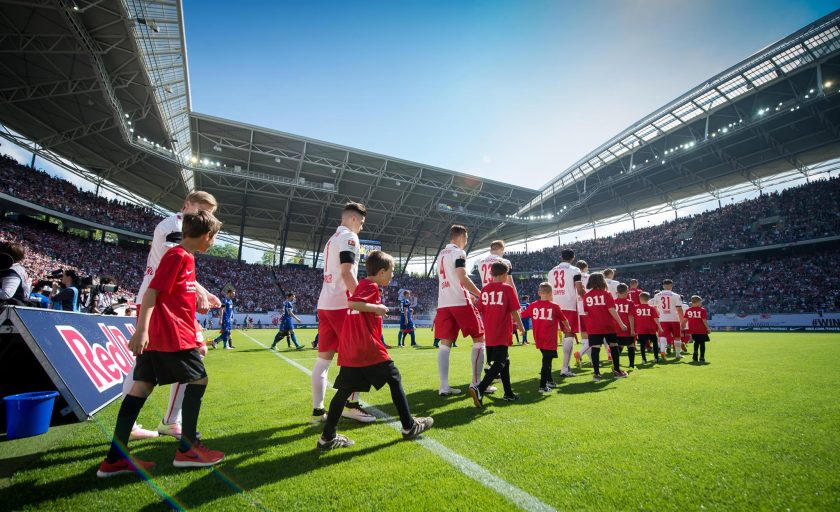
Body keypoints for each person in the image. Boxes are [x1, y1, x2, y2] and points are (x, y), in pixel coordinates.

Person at [97, 210, 225, 478]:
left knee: (141, 387)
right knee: (199, 380)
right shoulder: (179, 256)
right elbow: (152, 292)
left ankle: (115, 459)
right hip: (170, 335)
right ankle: (188, 449)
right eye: (214, 238)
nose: (213, 243)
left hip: (162, 335)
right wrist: (141, 330)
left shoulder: (183, 257)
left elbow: (171, 296)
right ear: (206, 236)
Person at [317, 251, 433, 450]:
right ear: (381, 272)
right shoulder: (370, 286)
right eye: (391, 271)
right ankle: (409, 426)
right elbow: (352, 303)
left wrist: (375, 310)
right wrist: (377, 308)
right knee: (394, 378)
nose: (392, 275)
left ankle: (327, 438)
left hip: (352, 348)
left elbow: (357, 306)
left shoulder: (364, 286)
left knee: (344, 391)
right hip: (366, 347)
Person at [311, 202, 376, 423]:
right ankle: (352, 406)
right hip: (341, 305)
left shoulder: (331, 239)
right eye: (362, 222)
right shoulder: (349, 237)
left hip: (325, 304)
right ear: (354, 219)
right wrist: (362, 302)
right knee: (357, 355)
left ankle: (318, 411)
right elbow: (347, 273)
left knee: (323, 360)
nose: (362, 227)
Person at [435, 225, 486, 397]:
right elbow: (462, 277)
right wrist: (480, 294)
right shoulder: (459, 253)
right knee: (479, 338)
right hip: (460, 301)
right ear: (462, 237)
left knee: (445, 343)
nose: (466, 242)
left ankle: (444, 386)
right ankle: (476, 384)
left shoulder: (441, 254)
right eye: (466, 238)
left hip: (444, 303)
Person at [468, 262, 523, 407]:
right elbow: (514, 310)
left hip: (490, 332)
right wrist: (521, 326)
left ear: (491, 274)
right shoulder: (507, 288)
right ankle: (479, 389)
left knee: (505, 361)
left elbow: (479, 308)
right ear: (505, 275)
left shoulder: (485, 289)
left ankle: (508, 393)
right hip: (502, 330)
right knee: (500, 363)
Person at [521, 282, 571, 393]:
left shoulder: (533, 305)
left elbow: (522, 315)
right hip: (549, 337)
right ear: (551, 293)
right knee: (546, 362)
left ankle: (549, 381)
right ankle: (542, 386)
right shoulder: (554, 306)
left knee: (548, 359)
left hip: (538, 337)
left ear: (539, 293)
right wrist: (568, 328)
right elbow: (564, 319)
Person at [583, 272, 628, 381]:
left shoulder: (586, 296)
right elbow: (612, 310)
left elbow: (586, 313)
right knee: (613, 346)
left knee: (595, 348)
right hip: (608, 325)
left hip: (594, 326)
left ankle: (596, 374)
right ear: (602, 281)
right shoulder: (606, 294)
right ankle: (617, 371)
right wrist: (621, 323)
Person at [548, 249, 584, 377]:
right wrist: (586, 298)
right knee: (569, 334)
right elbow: (579, 288)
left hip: (554, 305)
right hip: (569, 305)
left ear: (561, 257)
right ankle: (564, 368)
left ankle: (551, 367)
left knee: (555, 336)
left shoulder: (551, 271)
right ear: (573, 258)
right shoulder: (575, 270)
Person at [653, 279, 685, 359]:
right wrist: (682, 321)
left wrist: (660, 314)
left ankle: (662, 351)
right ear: (671, 285)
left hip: (663, 319)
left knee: (662, 336)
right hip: (674, 318)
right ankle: (677, 354)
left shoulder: (657, 295)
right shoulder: (676, 295)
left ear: (663, 286)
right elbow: (679, 309)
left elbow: (655, 308)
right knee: (677, 336)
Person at [633, 292, 661, 364]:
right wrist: (660, 327)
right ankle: (656, 358)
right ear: (648, 299)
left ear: (640, 299)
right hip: (651, 328)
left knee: (642, 344)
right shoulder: (652, 308)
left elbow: (633, 318)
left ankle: (644, 359)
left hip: (641, 329)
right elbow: (656, 318)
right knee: (655, 343)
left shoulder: (636, 307)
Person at [614, 284, 637, 369]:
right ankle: (631, 365)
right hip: (627, 327)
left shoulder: (613, 301)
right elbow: (631, 316)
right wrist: (632, 330)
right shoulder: (630, 302)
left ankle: (615, 365)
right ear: (626, 291)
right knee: (630, 345)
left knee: (618, 346)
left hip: (615, 328)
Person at [683, 295, 710, 363]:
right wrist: (708, 328)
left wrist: (682, 326)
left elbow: (685, 320)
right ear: (697, 302)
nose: (701, 303)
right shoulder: (702, 310)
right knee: (702, 343)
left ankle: (695, 357)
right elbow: (704, 320)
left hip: (693, 330)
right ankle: (702, 357)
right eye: (700, 302)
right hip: (701, 329)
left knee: (696, 342)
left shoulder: (688, 310)